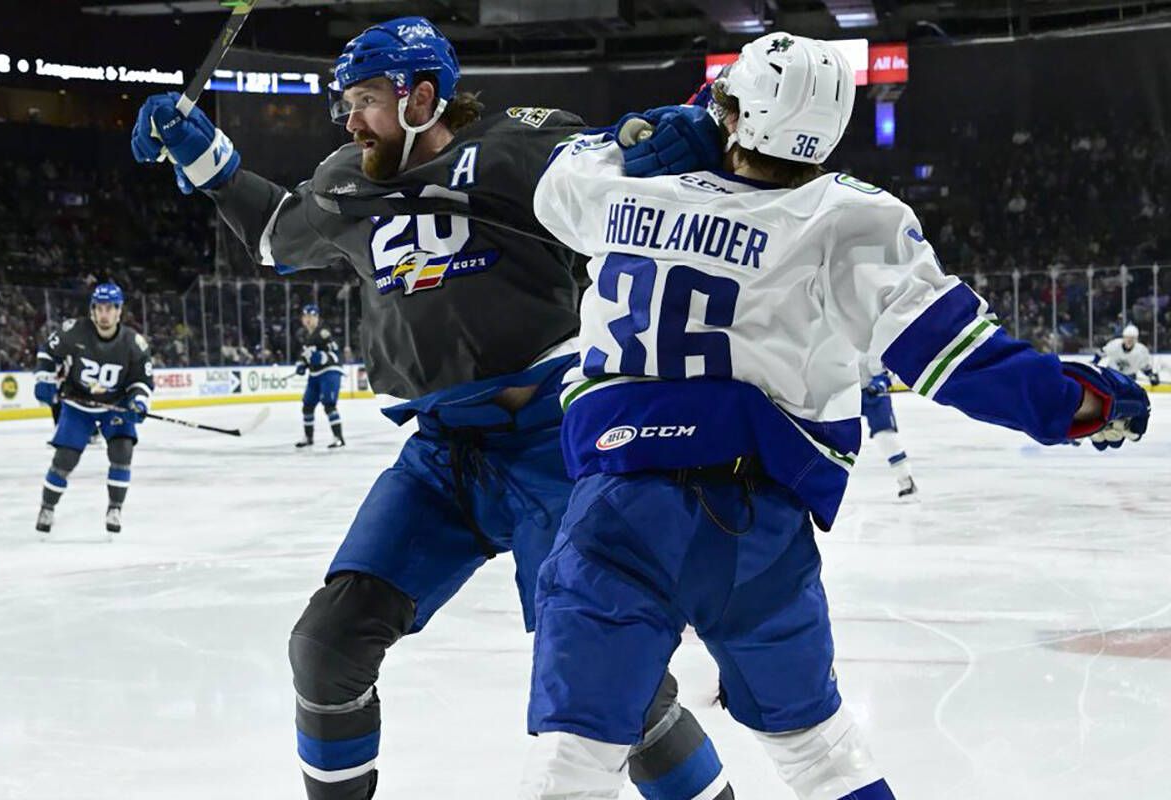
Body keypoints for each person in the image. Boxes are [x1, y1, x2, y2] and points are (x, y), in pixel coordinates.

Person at [521, 32, 1150, 799]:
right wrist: (1088, 404)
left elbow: (556, 180)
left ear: (735, 113)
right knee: (820, 753)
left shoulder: (621, 184)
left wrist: (663, 122)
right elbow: (961, 363)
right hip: (754, 523)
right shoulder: (849, 217)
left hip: (614, 509)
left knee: (576, 763)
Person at [132, 16, 733, 800]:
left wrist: (680, 137)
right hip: (443, 456)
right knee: (326, 646)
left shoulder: (520, 147)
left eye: (366, 100)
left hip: (554, 450)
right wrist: (203, 156)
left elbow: (625, 161)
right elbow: (278, 236)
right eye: (345, 103)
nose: (350, 120)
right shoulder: (351, 177)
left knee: (613, 676)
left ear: (423, 97)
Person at [33, 282, 153, 537]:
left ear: (119, 311)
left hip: (115, 407)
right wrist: (43, 378)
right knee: (65, 459)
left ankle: (115, 508)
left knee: (122, 452)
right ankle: (47, 508)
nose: (105, 313)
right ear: (92, 310)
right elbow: (48, 352)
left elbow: (142, 381)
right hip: (78, 405)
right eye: (99, 308)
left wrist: (138, 402)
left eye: (110, 308)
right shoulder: (74, 331)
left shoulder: (134, 344)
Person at [859, 354, 918, 499]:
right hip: (846, 395)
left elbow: (889, 372)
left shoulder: (871, 343)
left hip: (873, 397)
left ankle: (905, 479)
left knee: (885, 437)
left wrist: (879, 384)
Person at [295, 303, 346, 449]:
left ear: (317, 318)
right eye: (305, 316)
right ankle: (308, 438)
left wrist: (321, 357)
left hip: (330, 372)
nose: (308, 319)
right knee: (307, 405)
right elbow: (305, 355)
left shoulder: (324, 333)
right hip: (315, 374)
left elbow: (336, 354)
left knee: (329, 405)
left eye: (311, 316)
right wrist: (302, 365)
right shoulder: (304, 334)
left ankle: (339, 438)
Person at [1094, 323, 1160, 385]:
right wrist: (1094, 363)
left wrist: (1151, 376)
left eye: (1132, 338)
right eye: (1127, 337)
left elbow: (1144, 367)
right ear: (1123, 337)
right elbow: (1101, 353)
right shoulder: (1115, 344)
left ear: (1136, 339)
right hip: (1112, 375)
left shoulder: (1141, 351)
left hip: (1129, 378)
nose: (1129, 340)